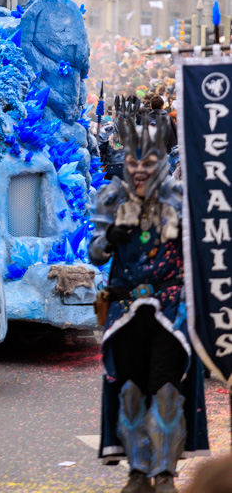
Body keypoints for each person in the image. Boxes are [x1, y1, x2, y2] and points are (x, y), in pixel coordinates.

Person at [89, 110, 209, 493]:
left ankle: (165, 472)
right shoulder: (111, 197)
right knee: (129, 390)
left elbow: (200, 251)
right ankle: (138, 470)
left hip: (170, 310)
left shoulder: (178, 199)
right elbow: (94, 254)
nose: (139, 170)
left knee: (168, 389)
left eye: (149, 162)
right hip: (125, 312)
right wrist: (112, 238)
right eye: (133, 162)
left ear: (161, 163)